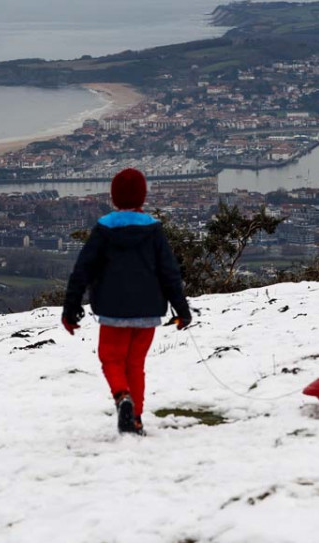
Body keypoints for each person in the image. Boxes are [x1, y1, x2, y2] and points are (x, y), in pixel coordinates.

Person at [62, 168, 192, 435]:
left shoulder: (103, 229)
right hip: (148, 311)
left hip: (112, 310)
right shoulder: (154, 230)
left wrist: (71, 307)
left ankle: (123, 398)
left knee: (111, 358)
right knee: (136, 365)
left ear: (113, 197)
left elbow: (82, 270)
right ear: (143, 197)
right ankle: (136, 419)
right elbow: (170, 272)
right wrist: (182, 309)